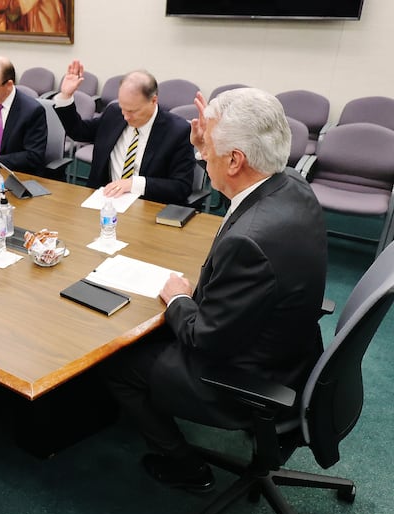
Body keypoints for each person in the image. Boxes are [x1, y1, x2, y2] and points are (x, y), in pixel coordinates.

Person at [103, 88, 327, 492]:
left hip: (248, 375)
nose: (202, 155)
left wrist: (178, 299)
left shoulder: (251, 245)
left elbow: (204, 337)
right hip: (293, 348)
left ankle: (185, 465)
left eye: (210, 150)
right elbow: (236, 193)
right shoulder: (289, 182)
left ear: (237, 160)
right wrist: (207, 142)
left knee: (118, 364)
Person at [54, 61, 194, 204]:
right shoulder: (114, 114)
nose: (126, 116)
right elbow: (79, 132)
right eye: (123, 108)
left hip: (147, 206)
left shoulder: (177, 131)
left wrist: (134, 184)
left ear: (153, 100)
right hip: (105, 201)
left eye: (132, 111)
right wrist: (66, 96)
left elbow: (181, 187)